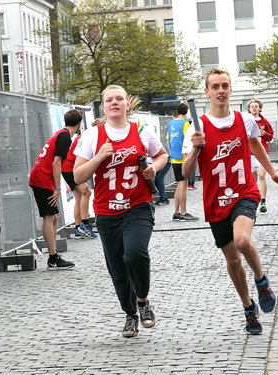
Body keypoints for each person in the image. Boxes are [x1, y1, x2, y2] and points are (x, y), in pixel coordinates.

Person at [182, 68, 278, 335]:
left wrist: (272, 172)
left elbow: (255, 145)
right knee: (232, 260)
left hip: (244, 190)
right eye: (215, 86)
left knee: (242, 241)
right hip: (215, 200)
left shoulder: (244, 119)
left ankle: (261, 280)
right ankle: (248, 308)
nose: (220, 91)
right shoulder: (197, 127)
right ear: (206, 92)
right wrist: (196, 148)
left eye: (225, 86)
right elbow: (184, 173)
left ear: (230, 90)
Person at [73, 85, 168, 338]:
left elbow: (162, 155)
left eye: (119, 99)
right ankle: (130, 314)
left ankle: (143, 301)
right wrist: (98, 158)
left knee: (135, 254)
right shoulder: (93, 135)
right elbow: (78, 174)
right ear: (103, 106)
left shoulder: (142, 132)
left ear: (127, 104)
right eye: (109, 100)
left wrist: (154, 168)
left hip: (138, 205)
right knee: (117, 268)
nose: (114, 103)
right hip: (106, 212)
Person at [29, 109, 81, 270]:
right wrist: (58, 187)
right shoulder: (65, 137)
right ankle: (53, 258)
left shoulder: (60, 133)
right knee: (49, 216)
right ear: (79, 124)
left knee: (55, 216)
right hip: (42, 178)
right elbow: (56, 163)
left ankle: (54, 254)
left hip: (42, 176)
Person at [61, 117, 99, 239]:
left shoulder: (86, 137)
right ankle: (85, 225)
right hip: (70, 169)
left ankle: (78, 227)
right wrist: (83, 181)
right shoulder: (87, 138)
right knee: (86, 193)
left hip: (68, 169)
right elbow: (81, 160)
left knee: (79, 198)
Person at [167, 103, 198, 221]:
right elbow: (188, 140)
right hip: (183, 158)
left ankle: (176, 212)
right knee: (183, 185)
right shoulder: (185, 123)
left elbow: (168, 140)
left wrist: (171, 154)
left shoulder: (171, 124)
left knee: (179, 184)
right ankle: (184, 213)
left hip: (174, 157)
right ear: (186, 112)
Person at [247, 98, 274, 213]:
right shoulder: (246, 121)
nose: (254, 108)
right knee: (253, 179)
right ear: (249, 108)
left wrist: (264, 134)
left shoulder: (264, 121)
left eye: (256, 106)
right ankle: (254, 199)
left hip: (262, 153)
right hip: (249, 154)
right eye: (252, 106)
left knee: (262, 175)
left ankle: (263, 201)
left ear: (259, 108)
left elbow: (271, 135)